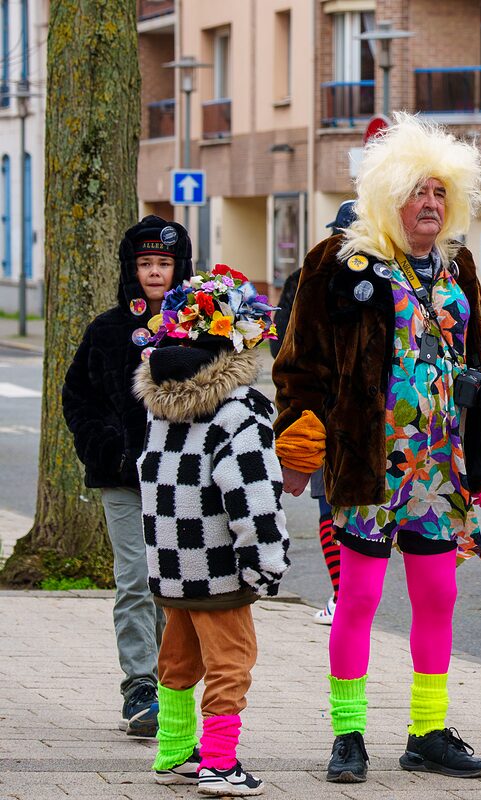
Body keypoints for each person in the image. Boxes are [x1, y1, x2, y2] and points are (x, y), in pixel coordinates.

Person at [272, 112, 481, 783]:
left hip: (439, 463)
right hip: (369, 459)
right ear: (388, 196)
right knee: (360, 597)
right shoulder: (341, 262)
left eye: (439, 192)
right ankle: (347, 734)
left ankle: (426, 731)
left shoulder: (457, 266)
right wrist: (300, 428)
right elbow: (300, 363)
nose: (429, 203)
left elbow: (479, 357)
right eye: (417, 191)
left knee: (437, 595)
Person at [132, 264, 290, 795]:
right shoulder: (238, 411)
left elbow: (152, 476)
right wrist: (266, 563)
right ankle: (221, 763)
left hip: (171, 564)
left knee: (176, 657)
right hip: (220, 564)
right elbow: (253, 495)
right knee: (232, 660)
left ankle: (175, 749)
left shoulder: (160, 406)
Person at [62, 215, 192, 737]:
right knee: (135, 579)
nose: (154, 273)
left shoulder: (202, 329)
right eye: (145, 264)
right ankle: (139, 684)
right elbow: (79, 398)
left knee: (174, 583)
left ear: (178, 268)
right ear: (130, 268)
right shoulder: (108, 330)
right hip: (122, 478)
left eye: (163, 263)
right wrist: (107, 448)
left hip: (180, 481)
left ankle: (171, 681)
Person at [270, 200, 357, 625]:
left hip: (330, 414)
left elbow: (283, 346)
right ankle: (343, 594)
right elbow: (287, 347)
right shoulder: (309, 276)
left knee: (337, 511)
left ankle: (345, 595)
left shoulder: (309, 276)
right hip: (322, 415)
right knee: (330, 508)